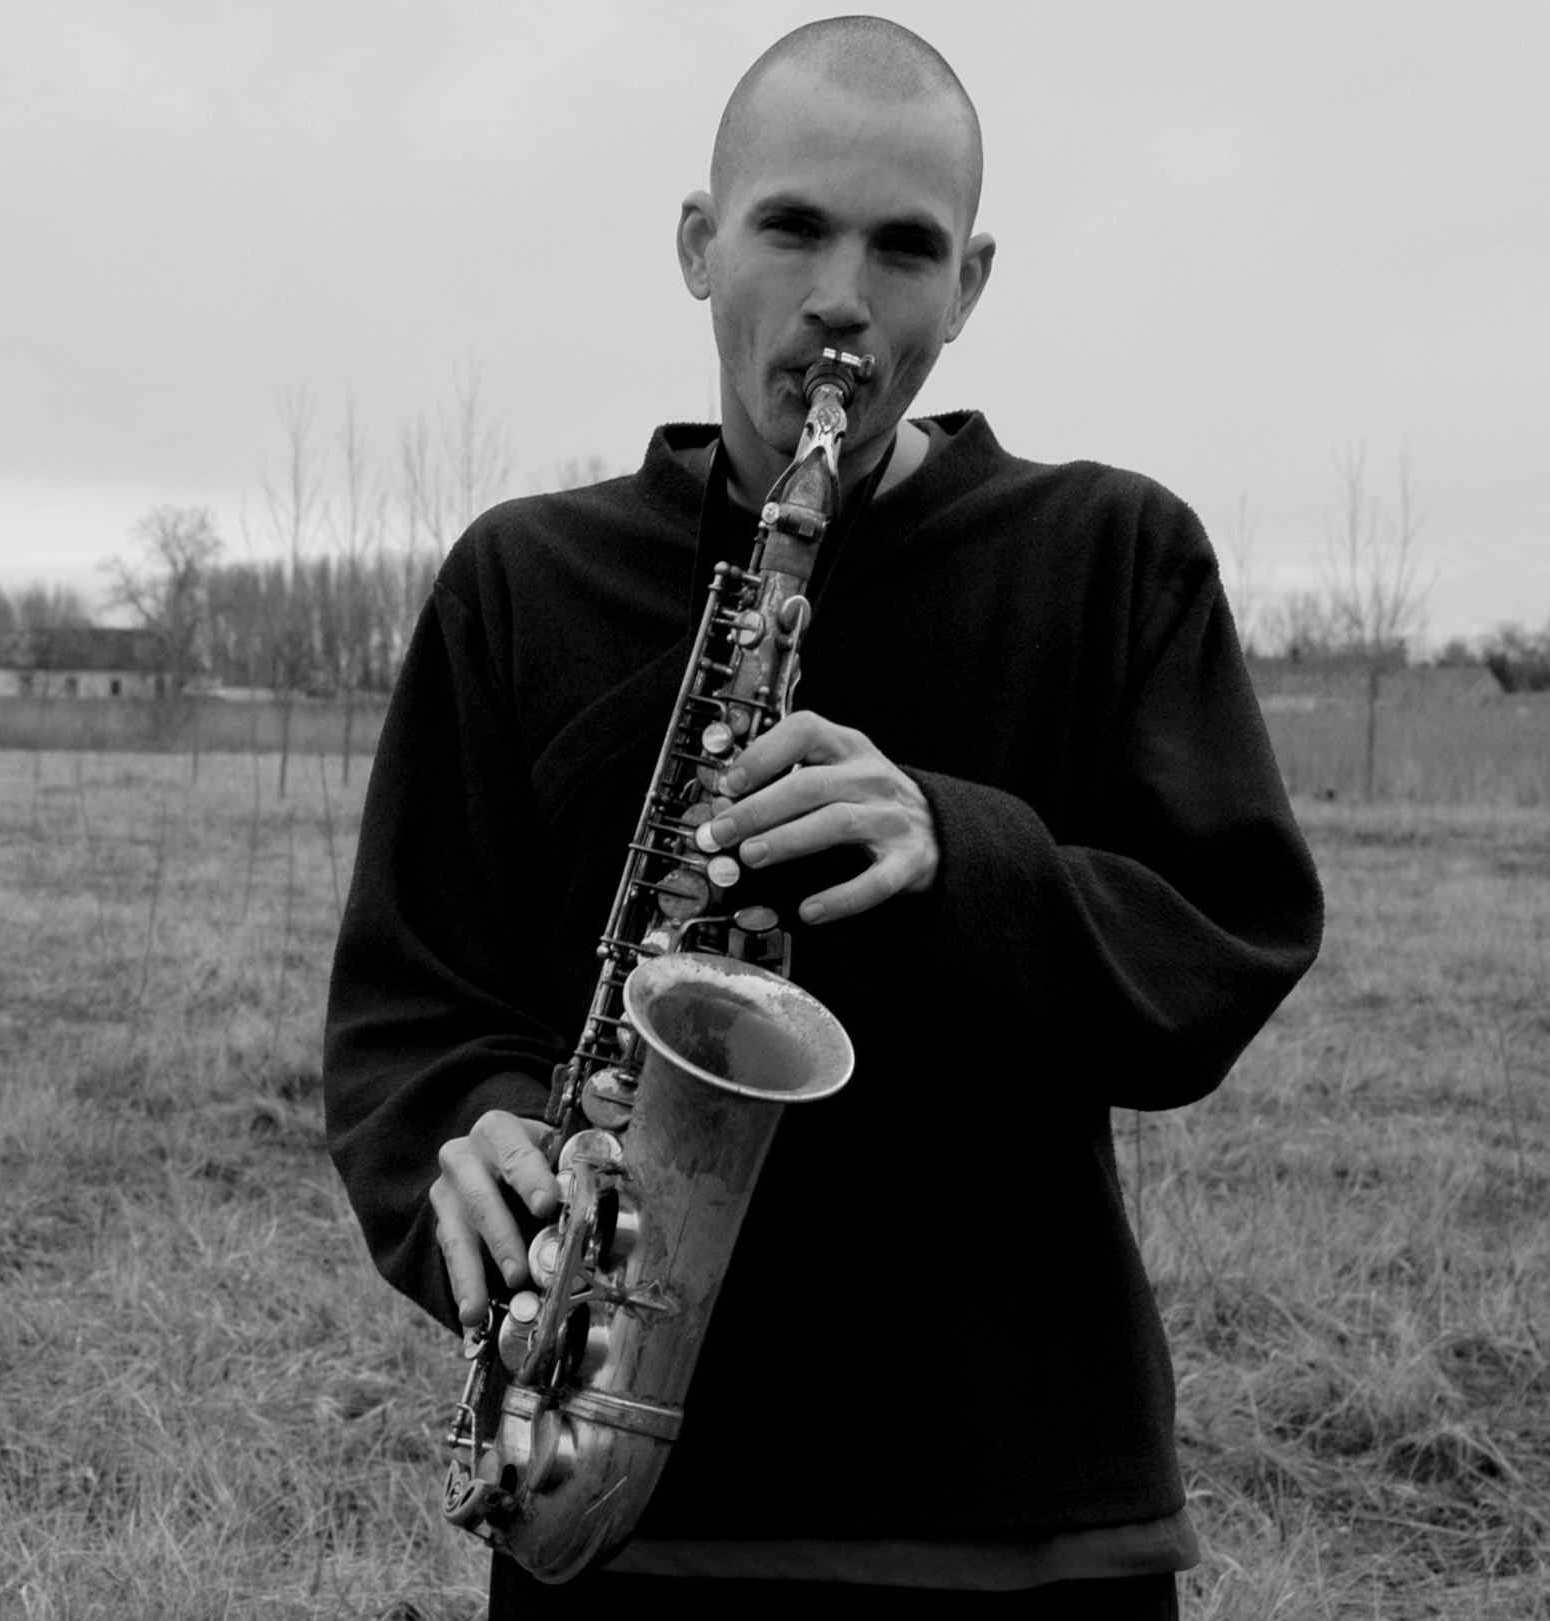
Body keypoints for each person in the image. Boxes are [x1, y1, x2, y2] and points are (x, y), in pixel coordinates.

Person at [322, 16, 1324, 1620]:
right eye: (792, 227)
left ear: (969, 284)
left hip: (1029, 1528)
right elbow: (413, 1007)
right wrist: (468, 1128)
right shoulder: (522, 582)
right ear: (699, 246)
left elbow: (1221, 954)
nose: (844, 295)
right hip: (619, 1513)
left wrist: (957, 846)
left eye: (905, 248)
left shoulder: (1116, 553)